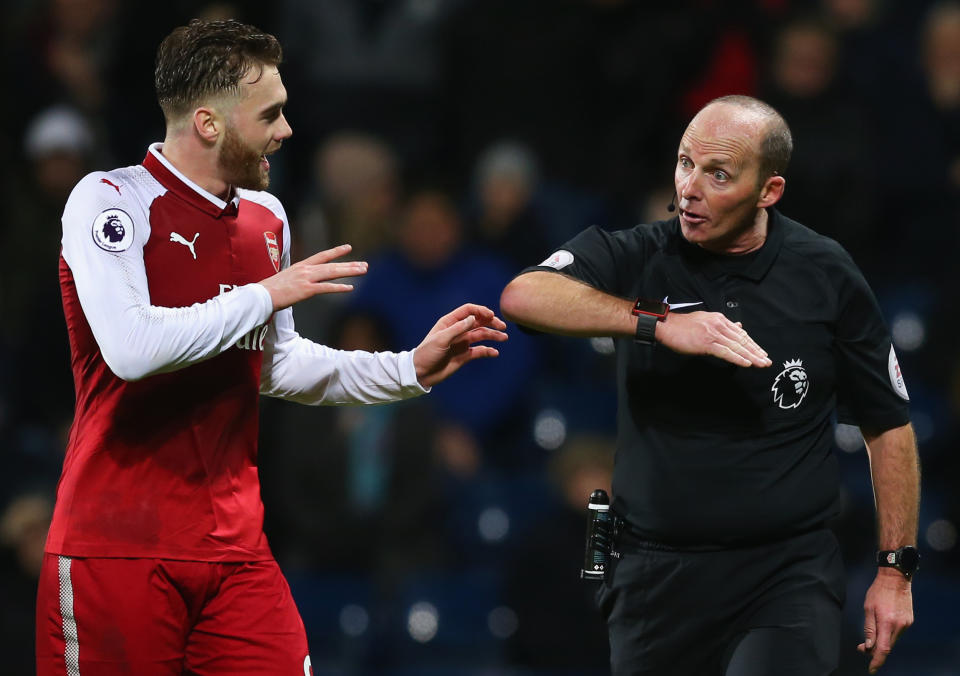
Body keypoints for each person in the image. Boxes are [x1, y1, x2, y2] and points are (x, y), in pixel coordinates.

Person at [37, 19, 507, 676]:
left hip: (235, 551)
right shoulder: (110, 200)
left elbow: (274, 364)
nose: (286, 130)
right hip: (117, 546)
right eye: (272, 114)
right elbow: (131, 348)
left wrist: (406, 369)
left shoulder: (268, 218)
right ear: (208, 123)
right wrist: (266, 295)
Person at [500, 95, 919, 676]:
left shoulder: (825, 272)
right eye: (684, 163)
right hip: (654, 575)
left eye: (717, 174)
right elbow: (525, 294)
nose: (689, 188)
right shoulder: (640, 255)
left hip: (786, 571)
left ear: (768, 191)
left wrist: (896, 571)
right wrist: (660, 322)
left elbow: (888, 423)